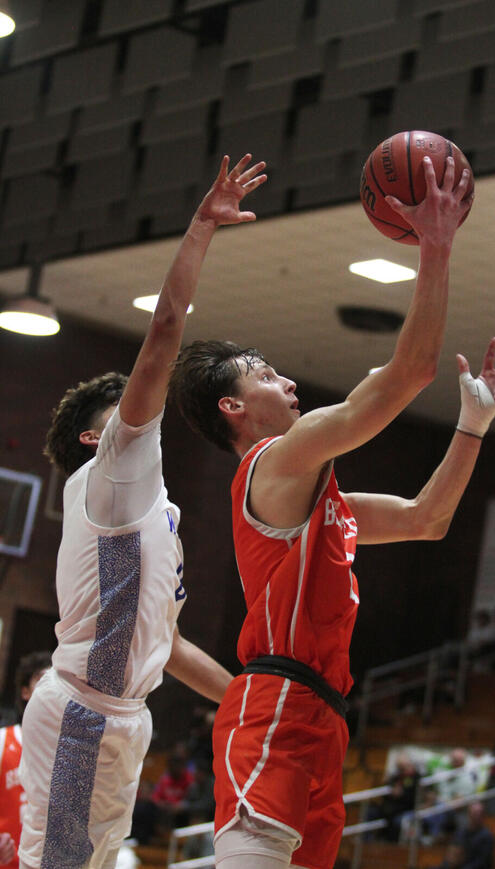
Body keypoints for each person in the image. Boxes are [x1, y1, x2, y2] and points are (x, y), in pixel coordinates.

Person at [169, 155, 495, 869]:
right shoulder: (270, 466)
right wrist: (434, 247)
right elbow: (407, 374)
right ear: (234, 407)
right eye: (267, 374)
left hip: (325, 716)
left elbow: (428, 518)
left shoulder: (324, 504)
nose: (289, 378)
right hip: (273, 704)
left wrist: (472, 428)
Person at [18, 153, 267, 869]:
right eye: (125, 407)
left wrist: (247, 698)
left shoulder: (148, 509)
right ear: (99, 438)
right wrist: (202, 226)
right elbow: (164, 330)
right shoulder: (112, 475)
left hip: (122, 714)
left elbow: (169, 642)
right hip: (86, 710)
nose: (143, 408)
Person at [0, 652, 52, 868]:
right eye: (43, 680)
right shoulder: (3, 740)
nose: (51, 690)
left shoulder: (73, 755)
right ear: (25, 691)